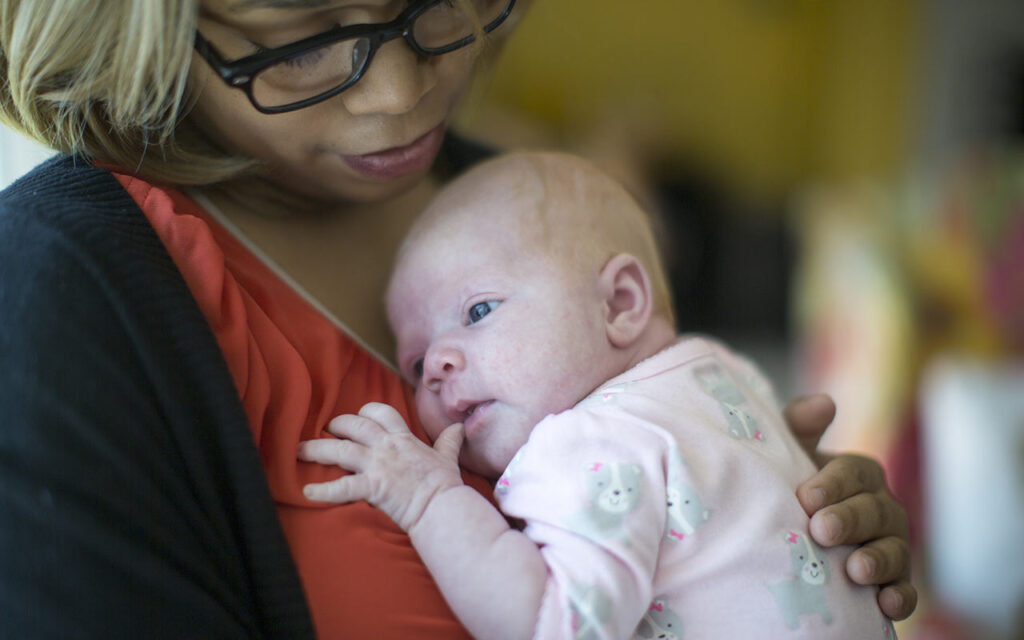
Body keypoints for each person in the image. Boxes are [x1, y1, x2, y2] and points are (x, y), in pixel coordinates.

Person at [0, 1, 913, 637]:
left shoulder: (525, 206)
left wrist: (791, 536)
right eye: (306, 35)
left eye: (435, 0)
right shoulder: (64, 304)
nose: (401, 94)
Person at [298, 151, 900, 638]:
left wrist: (428, 499)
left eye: (478, 310)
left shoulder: (585, 441)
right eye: (415, 360)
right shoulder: (722, 375)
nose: (437, 364)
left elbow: (553, 625)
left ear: (619, 304)